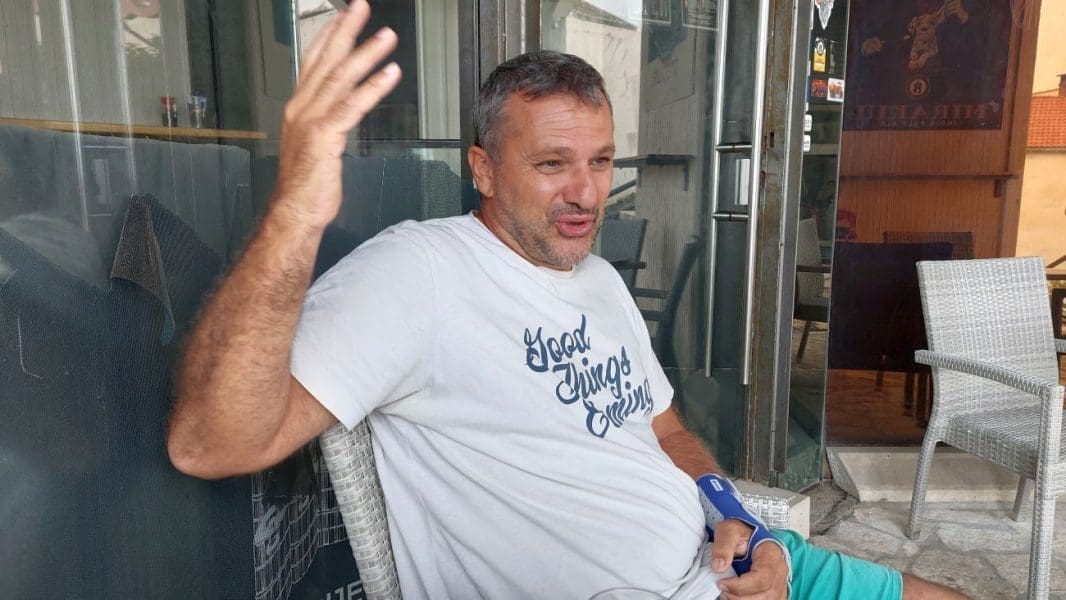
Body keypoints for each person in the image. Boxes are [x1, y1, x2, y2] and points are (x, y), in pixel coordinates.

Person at [167, 2, 968, 598]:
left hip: (738, 570)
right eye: (552, 165)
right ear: (483, 169)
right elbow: (209, 444)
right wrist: (297, 211)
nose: (587, 194)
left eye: (601, 161)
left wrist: (740, 520)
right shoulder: (419, 273)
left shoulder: (599, 280)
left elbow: (667, 430)